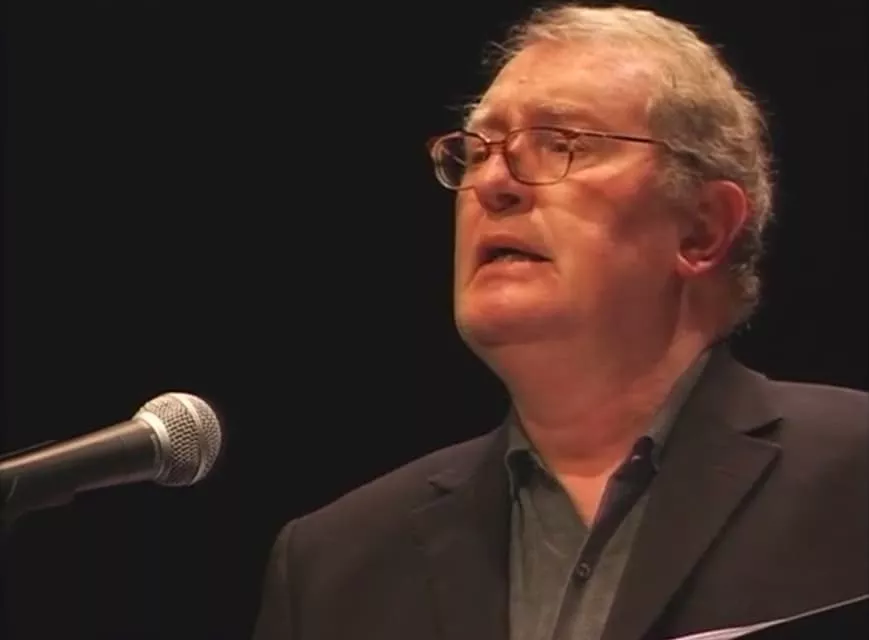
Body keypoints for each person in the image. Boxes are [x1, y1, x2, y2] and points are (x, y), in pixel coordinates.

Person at [251, 3, 868, 639]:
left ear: (702, 229)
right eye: (477, 151)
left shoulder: (853, 478)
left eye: (561, 143)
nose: (493, 184)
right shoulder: (333, 568)